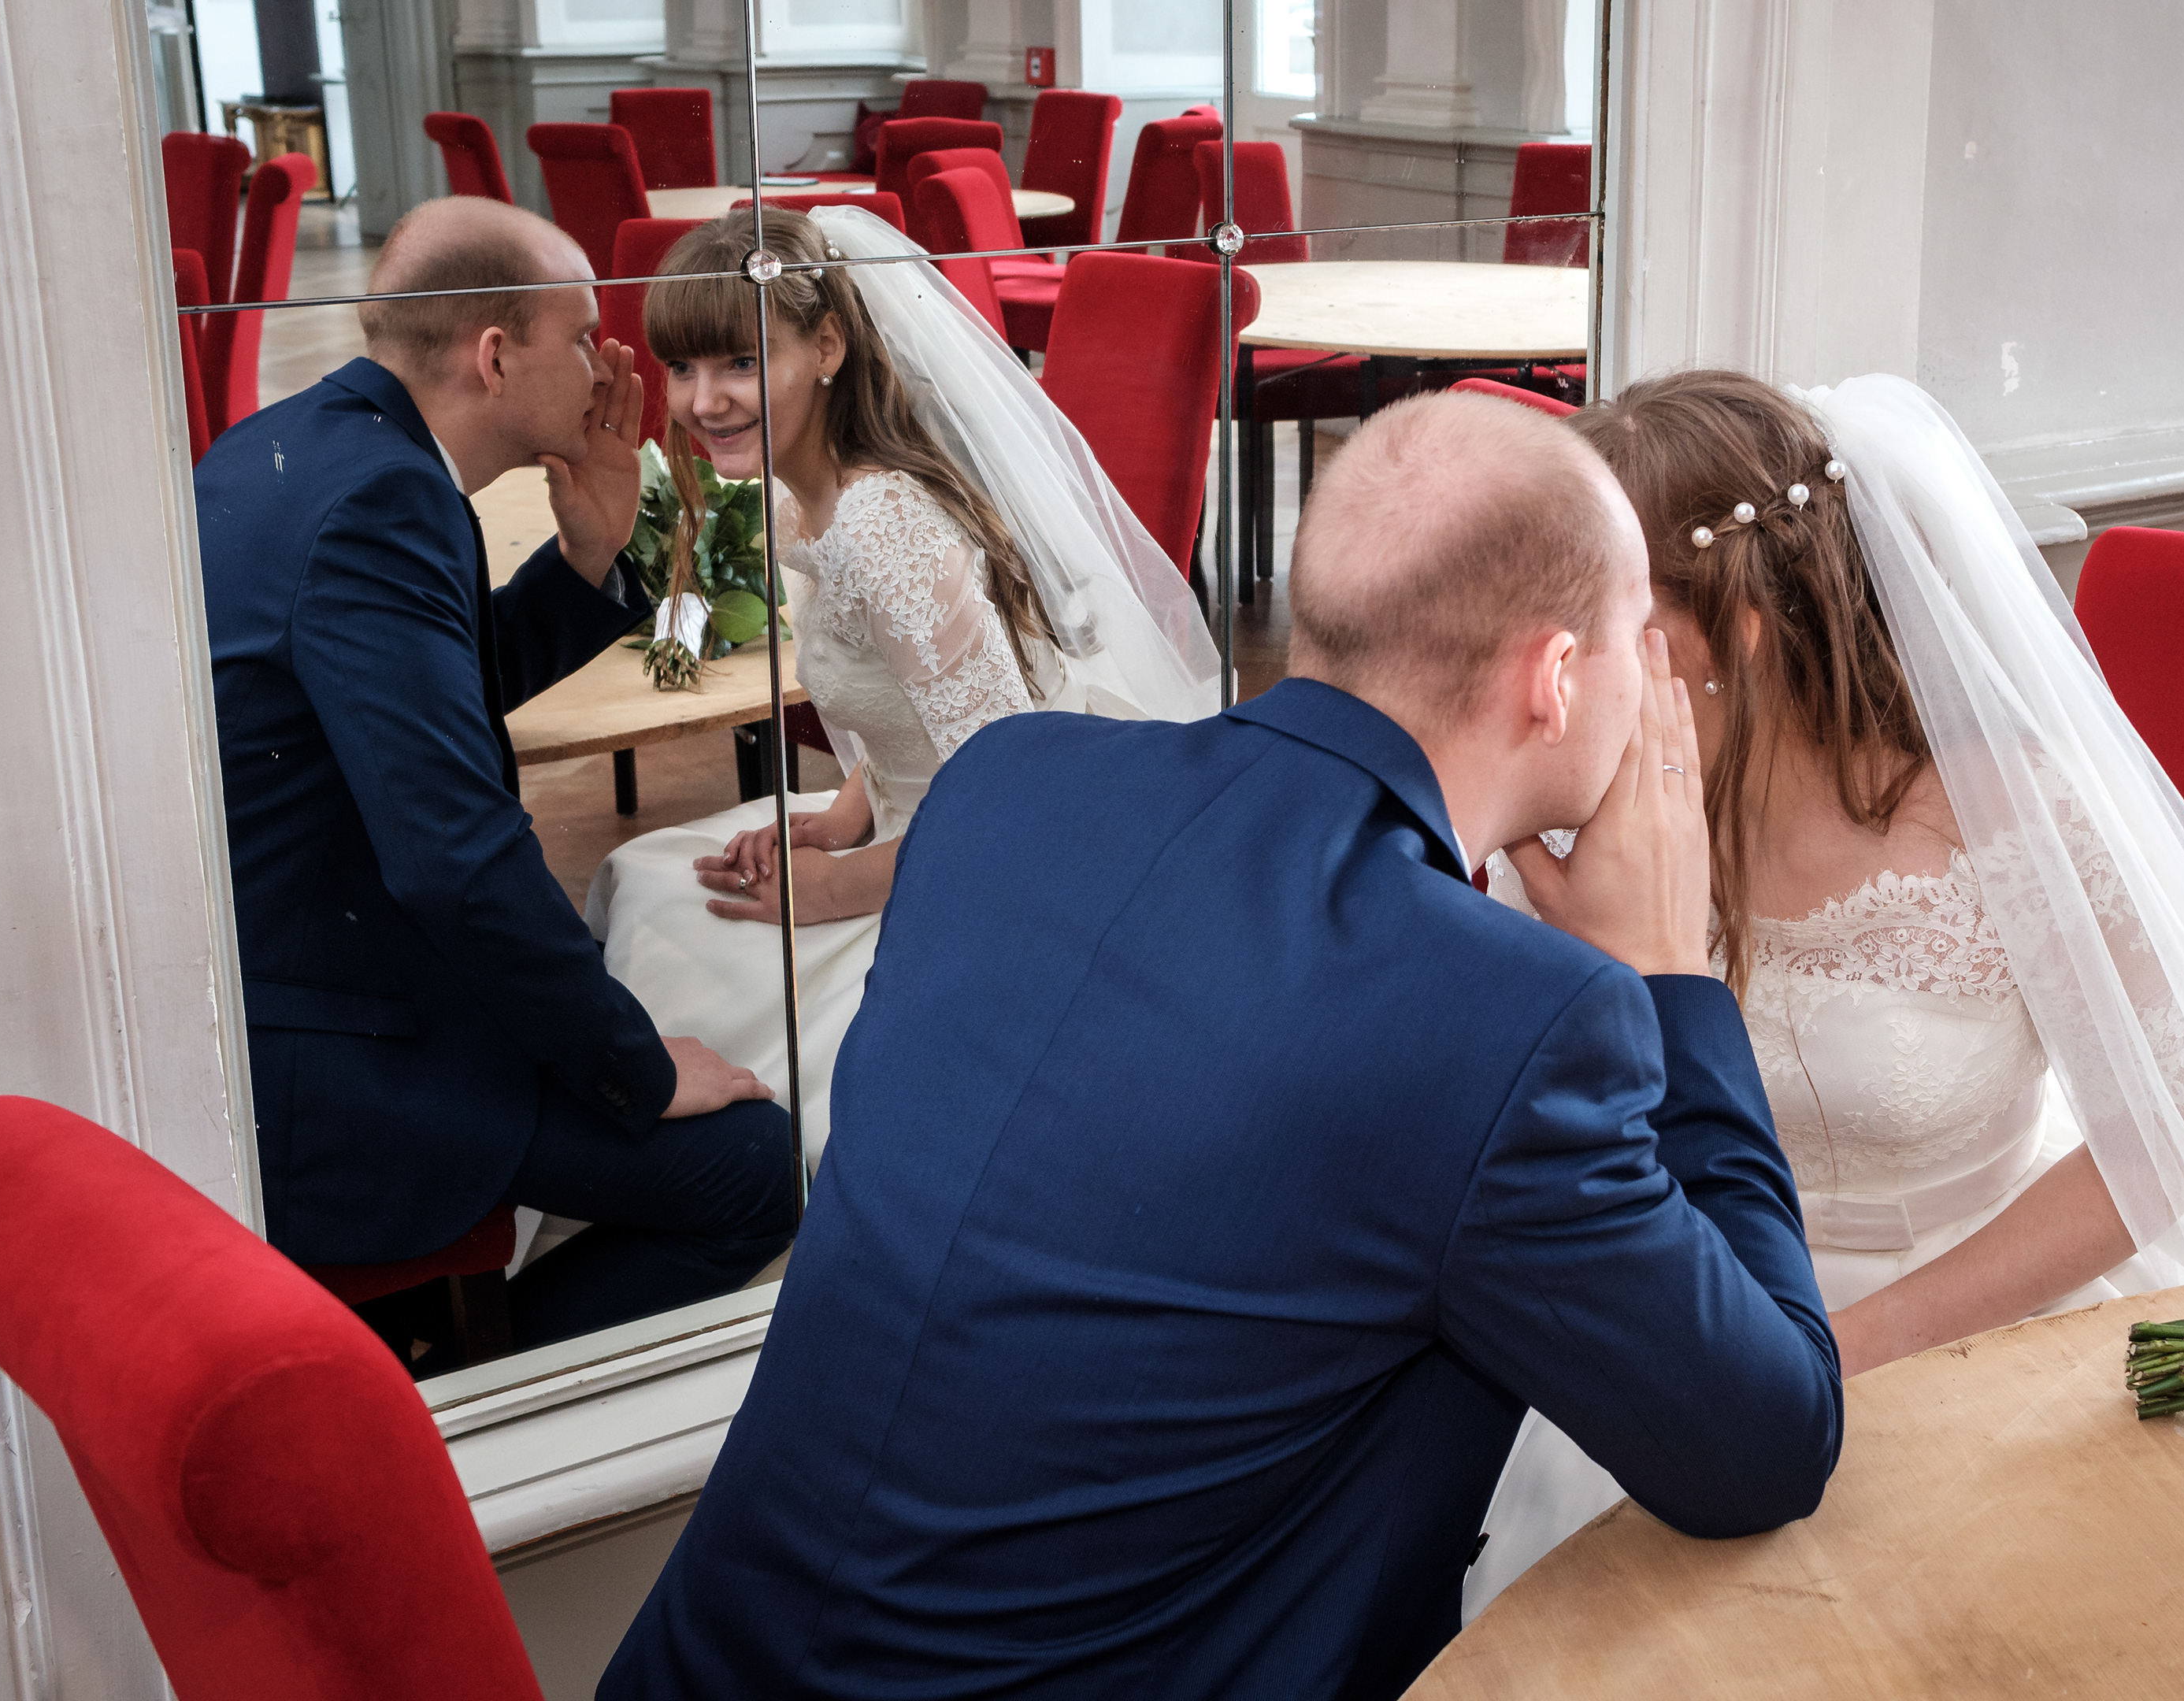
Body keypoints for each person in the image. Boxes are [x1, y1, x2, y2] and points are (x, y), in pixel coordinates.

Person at [598, 392, 1841, 1700]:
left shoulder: (1006, 788)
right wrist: (1671, 978)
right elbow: (1764, 1447)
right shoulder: (1508, 1023)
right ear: (1558, 677)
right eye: (1636, 639)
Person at [1463, 368, 2184, 1614]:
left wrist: (1842, 1352)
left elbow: (2161, 1139)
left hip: (1992, 1306)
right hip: (1688, 1311)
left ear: (1742, 633)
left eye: (1608, 619)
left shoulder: (2006, 817)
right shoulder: (1574, 816)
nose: (1567, 666)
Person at [197, 195, 792, 1355]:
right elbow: (455, 857)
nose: (606, 367)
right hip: (336, 1055)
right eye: (581, 336)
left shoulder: (309, 444)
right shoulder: (388, 501)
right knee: (755, 1169)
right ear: (495, 356)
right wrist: (633, 1070)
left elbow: (419, 712)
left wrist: (587, 554)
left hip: (293, 966)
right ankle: (454, 1390)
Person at [585, 206, 1220, 1155]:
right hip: (918, 828)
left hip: (995, 870)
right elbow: (917, 700)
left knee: (678, 956)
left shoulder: (884, 527)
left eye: (742, 362)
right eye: (683, 368)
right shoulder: (807, 497)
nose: (704, 401)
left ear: (827, 347)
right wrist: (844, 816)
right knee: (652, 889)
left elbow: (1012, 801)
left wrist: (835, 890)